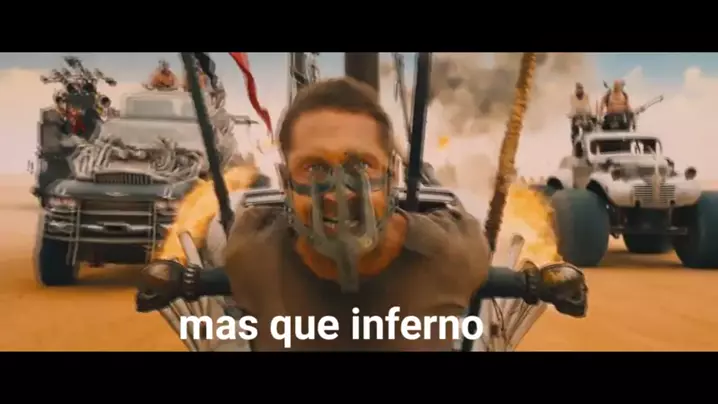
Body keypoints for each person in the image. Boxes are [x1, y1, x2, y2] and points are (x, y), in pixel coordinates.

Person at [136, 78, 588, 351]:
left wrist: (545, 281)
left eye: (361, 165)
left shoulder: (452, 252)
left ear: (391, 174)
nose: (339, 192)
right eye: (314, 167)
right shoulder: (250, 249)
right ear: (286, 179)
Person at [569, 83, 595, 155]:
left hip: (585, 115)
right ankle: (575, 147)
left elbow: (587, 105)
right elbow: (573, 106)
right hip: (576, 115)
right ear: (576, 89)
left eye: (581, 88)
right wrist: (573, 114)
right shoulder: (572, 97)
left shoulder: (586, 96)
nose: (580, 90)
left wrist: (589, 113)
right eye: (578, 88)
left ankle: (589, 147)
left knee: (589, 128)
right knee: (574, 132)